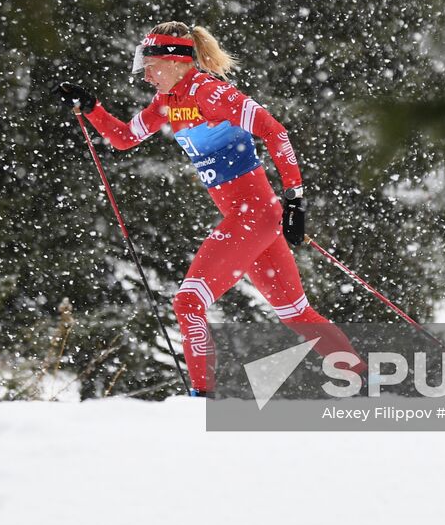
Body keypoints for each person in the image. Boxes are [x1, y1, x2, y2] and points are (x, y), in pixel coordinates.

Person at [55, 22, 365, 396]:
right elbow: (123, 138)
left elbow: (275, 132)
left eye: (151, 65)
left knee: (188, 301)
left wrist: (294, 199)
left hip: (254, 216)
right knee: (297, 314)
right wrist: (91, 108)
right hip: (254, 219)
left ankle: (201, 399)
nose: (147, 75)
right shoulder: (167, 103)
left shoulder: (212, 92)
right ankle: (367, 381)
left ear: (175, 61)